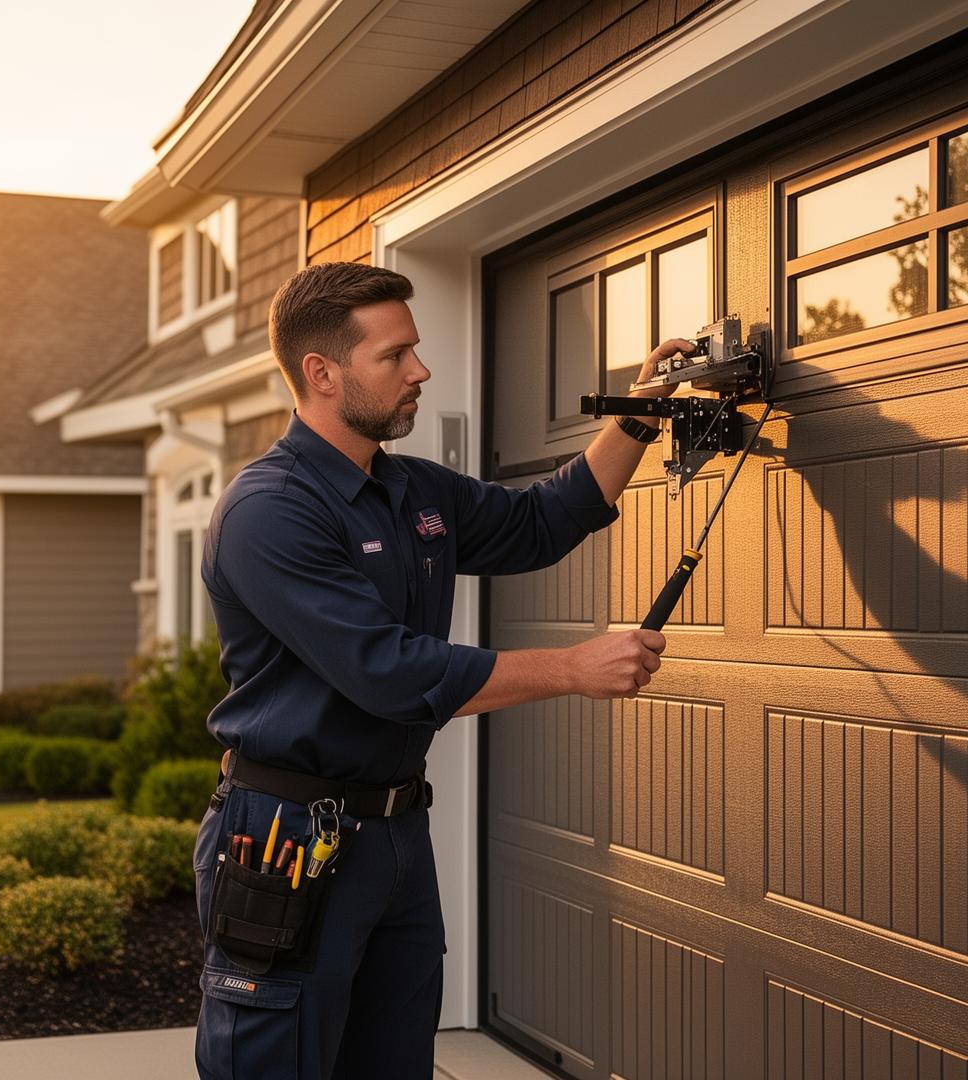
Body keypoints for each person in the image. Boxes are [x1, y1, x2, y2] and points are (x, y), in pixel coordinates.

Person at [194, 261, 688, 1078]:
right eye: (394, 356)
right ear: (322, 373)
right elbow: (387, 673)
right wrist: (571, 666)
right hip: (286, 835)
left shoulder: (411, 489)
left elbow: (542, 521)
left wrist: (640, 415)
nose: (420, 370)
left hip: (393, 836)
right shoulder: (269, 510)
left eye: (415, 350)